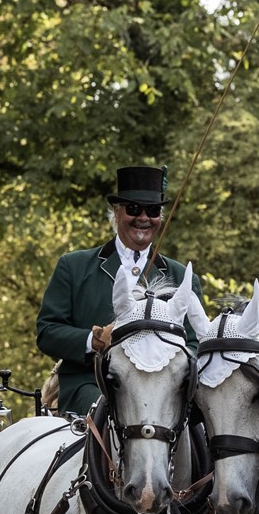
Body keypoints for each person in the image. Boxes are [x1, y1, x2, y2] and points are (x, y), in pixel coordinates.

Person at [34, 165, 198, 415]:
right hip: (92, 385)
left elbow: (197, 344)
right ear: (117, 212)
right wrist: (95, 340)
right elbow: (48, 332)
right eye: (134, 209)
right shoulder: (73, 266)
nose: (143, 218)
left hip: (163, 391)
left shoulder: (180, 276)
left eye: (152, 210)